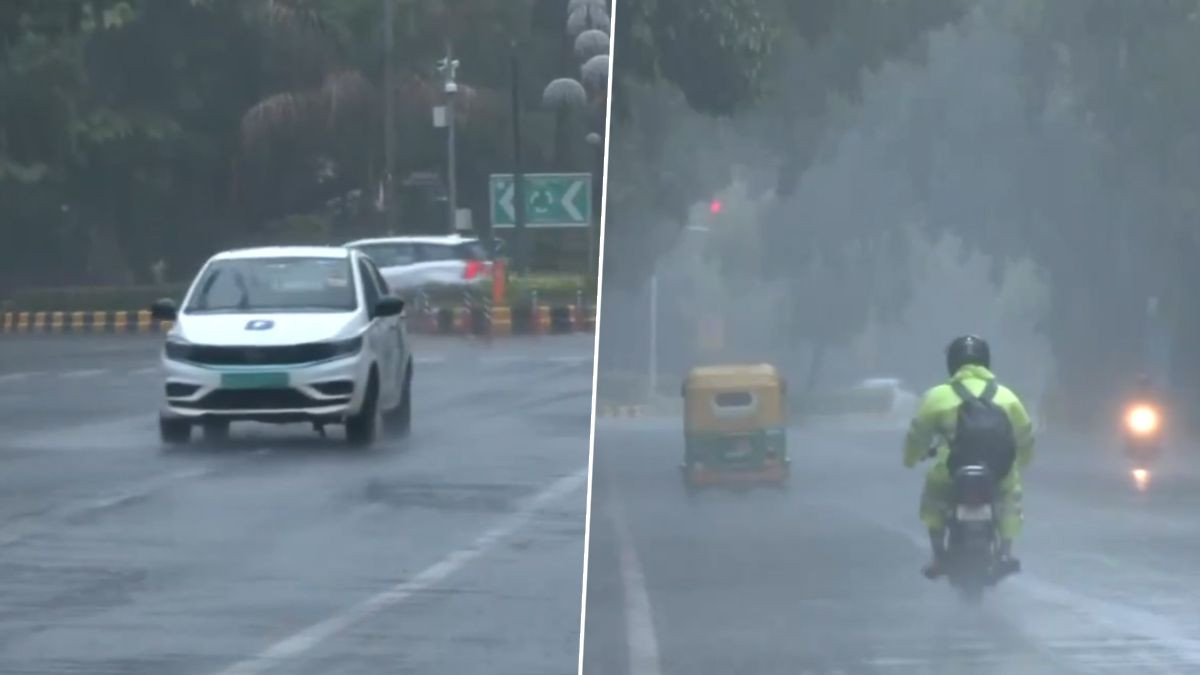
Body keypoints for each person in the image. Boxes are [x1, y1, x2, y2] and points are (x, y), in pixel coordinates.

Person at [902, 335, 1035, 579]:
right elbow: (1025, 435)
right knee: (1009, 500)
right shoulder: (1007, 396)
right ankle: (1005, 551)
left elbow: (917, 435)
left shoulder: (937, 396)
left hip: (951, 472)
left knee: (934, 498)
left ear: (953, 363)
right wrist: (1023, 460)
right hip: (999, 472)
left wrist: (911, 459)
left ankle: (938, 556)